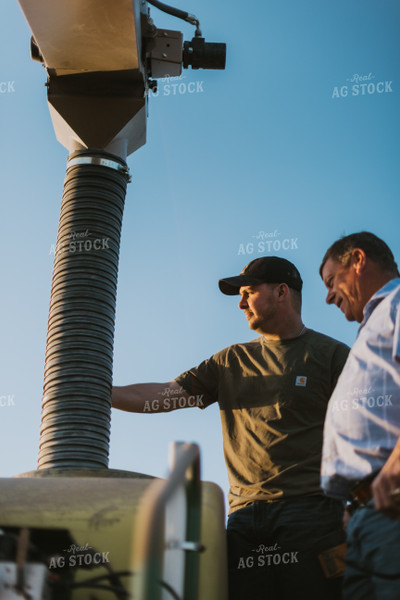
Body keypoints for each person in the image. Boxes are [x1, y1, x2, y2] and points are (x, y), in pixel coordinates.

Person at [113, 256, 349, 600]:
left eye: (248, 293)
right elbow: (165, 395)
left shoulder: (332, 356)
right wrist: (97, 389)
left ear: (281, 292)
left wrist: (357, 508)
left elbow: (364, 433)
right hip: (243, 520)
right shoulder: (230, 361)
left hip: (311, 516)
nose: (240, 303)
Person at [319, 231, 400, 600]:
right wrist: (358, 505)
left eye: (332, 280)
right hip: (368, 517)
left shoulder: (397, 303)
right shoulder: (372, 326)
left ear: (358, 260)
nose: (329, 295)